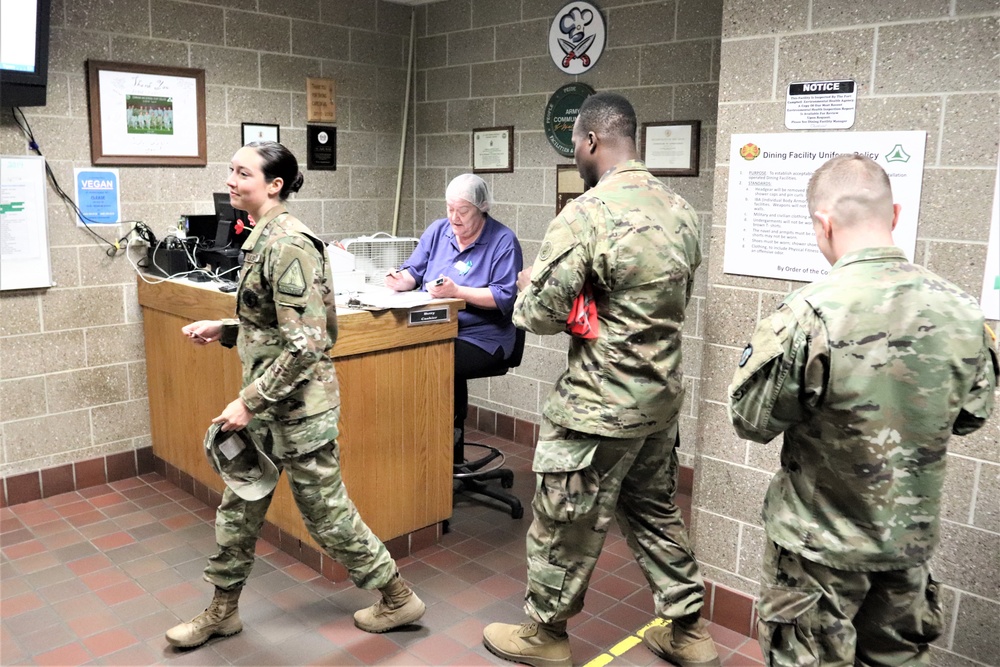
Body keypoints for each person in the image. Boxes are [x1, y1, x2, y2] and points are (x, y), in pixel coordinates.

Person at [728, 154, 998, 666]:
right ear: (893, 215)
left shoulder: (807, 316)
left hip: (817, 559)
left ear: (823, 224)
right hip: (906, 554)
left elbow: (750, 420)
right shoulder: (963, 312)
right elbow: (970, 416)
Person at [482, 92, 720, 667]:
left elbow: (537, 316)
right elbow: (673, 302)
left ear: (589, 142)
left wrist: (531, 282)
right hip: (658, 401)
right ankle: (689, 631)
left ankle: (545, 634)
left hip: (597, 405)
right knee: (655, 511)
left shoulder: (586, 213)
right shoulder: (683, 212)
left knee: (564, 519)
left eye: (577, 147)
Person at [166, 141, 425, 649]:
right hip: (266, 405)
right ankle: (222, 610)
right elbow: (272, 326)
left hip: (298, 412)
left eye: (242, 173)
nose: (231, 180)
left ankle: (398, 597)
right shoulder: (261, 238)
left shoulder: (289, 244)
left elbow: (307, 344)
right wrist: (226, 329)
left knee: (327, 518)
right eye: (232, 171)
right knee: (239, 506)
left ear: (275, 184)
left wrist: (248, 402)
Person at [385, 173, 522, 459]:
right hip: (437, 329)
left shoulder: (502, 240)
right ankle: (435, 455)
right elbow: (414, 271)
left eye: (463, 211)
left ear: (482, 208)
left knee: (431, 361)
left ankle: (443, 455)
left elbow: (503, 297)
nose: (454, 218)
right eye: (449, 209)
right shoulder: (438, 231)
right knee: (414, 353)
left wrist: (458, 291)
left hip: (484, 338)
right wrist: (401, 279)